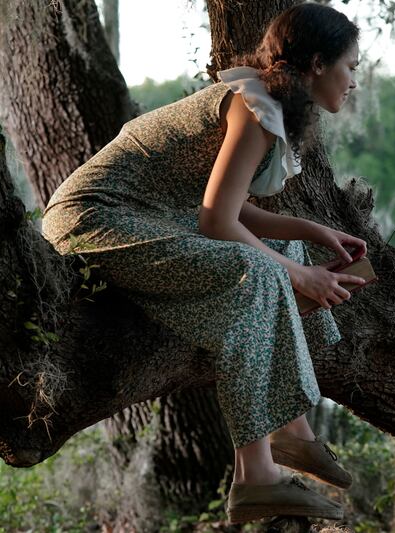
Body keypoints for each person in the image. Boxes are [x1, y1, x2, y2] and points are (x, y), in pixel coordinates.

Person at [42, 3, 366, 524]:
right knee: (261, 270)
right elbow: (218, 223)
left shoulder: (269, 107)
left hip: (152, 219)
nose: (355, 81)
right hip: (93, 218)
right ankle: (258, 476)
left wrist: (313, 232)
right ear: (317, 63)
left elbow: (229, 208)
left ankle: (291, 432)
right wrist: (298, 277)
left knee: (287, 255)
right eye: (351, 65)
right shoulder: (253, 106)